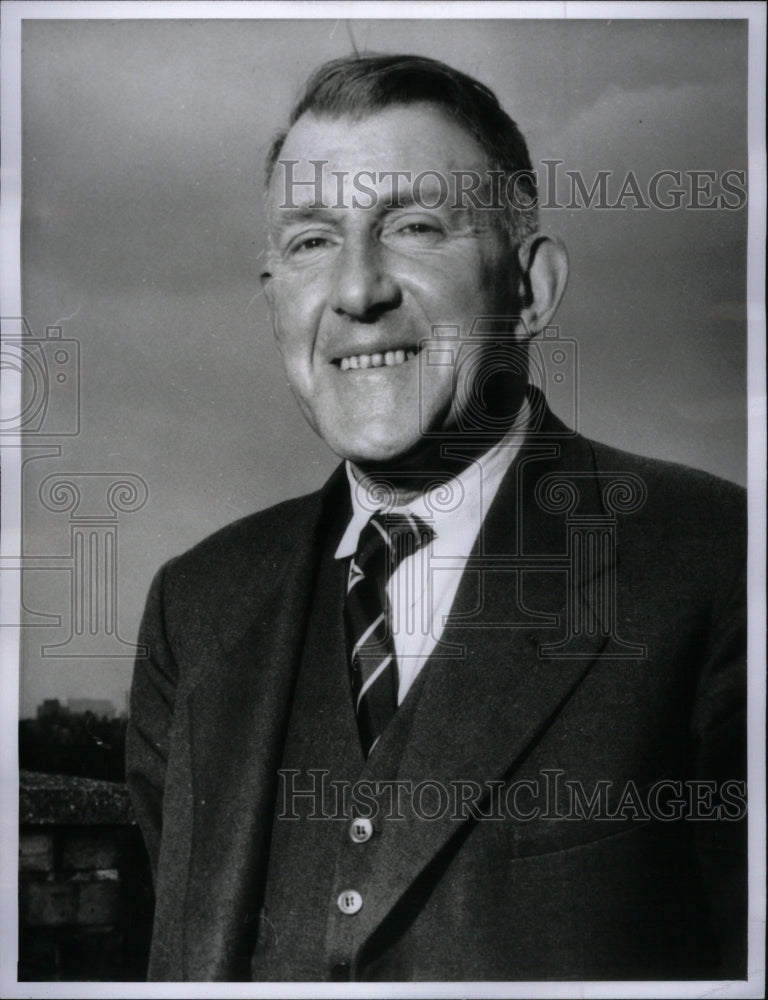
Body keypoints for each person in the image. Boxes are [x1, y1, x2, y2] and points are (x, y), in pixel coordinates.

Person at [126, 54, 747, 982]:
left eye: (414, 227)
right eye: (310, 243)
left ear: (530, 290)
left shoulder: (719, 562)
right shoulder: (197, 607)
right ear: (273, 295)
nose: (357, 290)